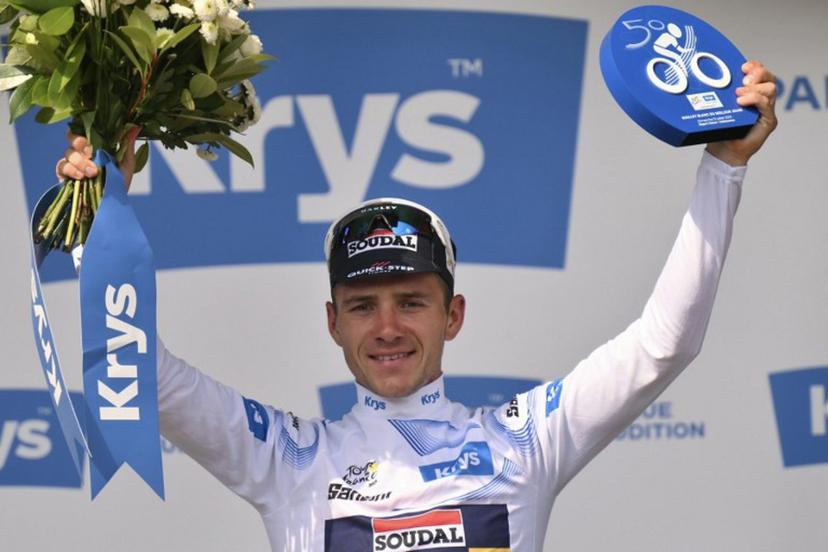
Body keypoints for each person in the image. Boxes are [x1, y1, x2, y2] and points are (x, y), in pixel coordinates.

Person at [58, 61, 777, 551]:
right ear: (333, 323)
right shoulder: (289, 460)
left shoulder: (524, 443)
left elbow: (664, 345)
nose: (390, 327)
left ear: (453, 315)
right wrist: (102, 221)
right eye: (363, 306)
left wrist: (724, 167)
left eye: (412, 301)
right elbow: (138, 372)